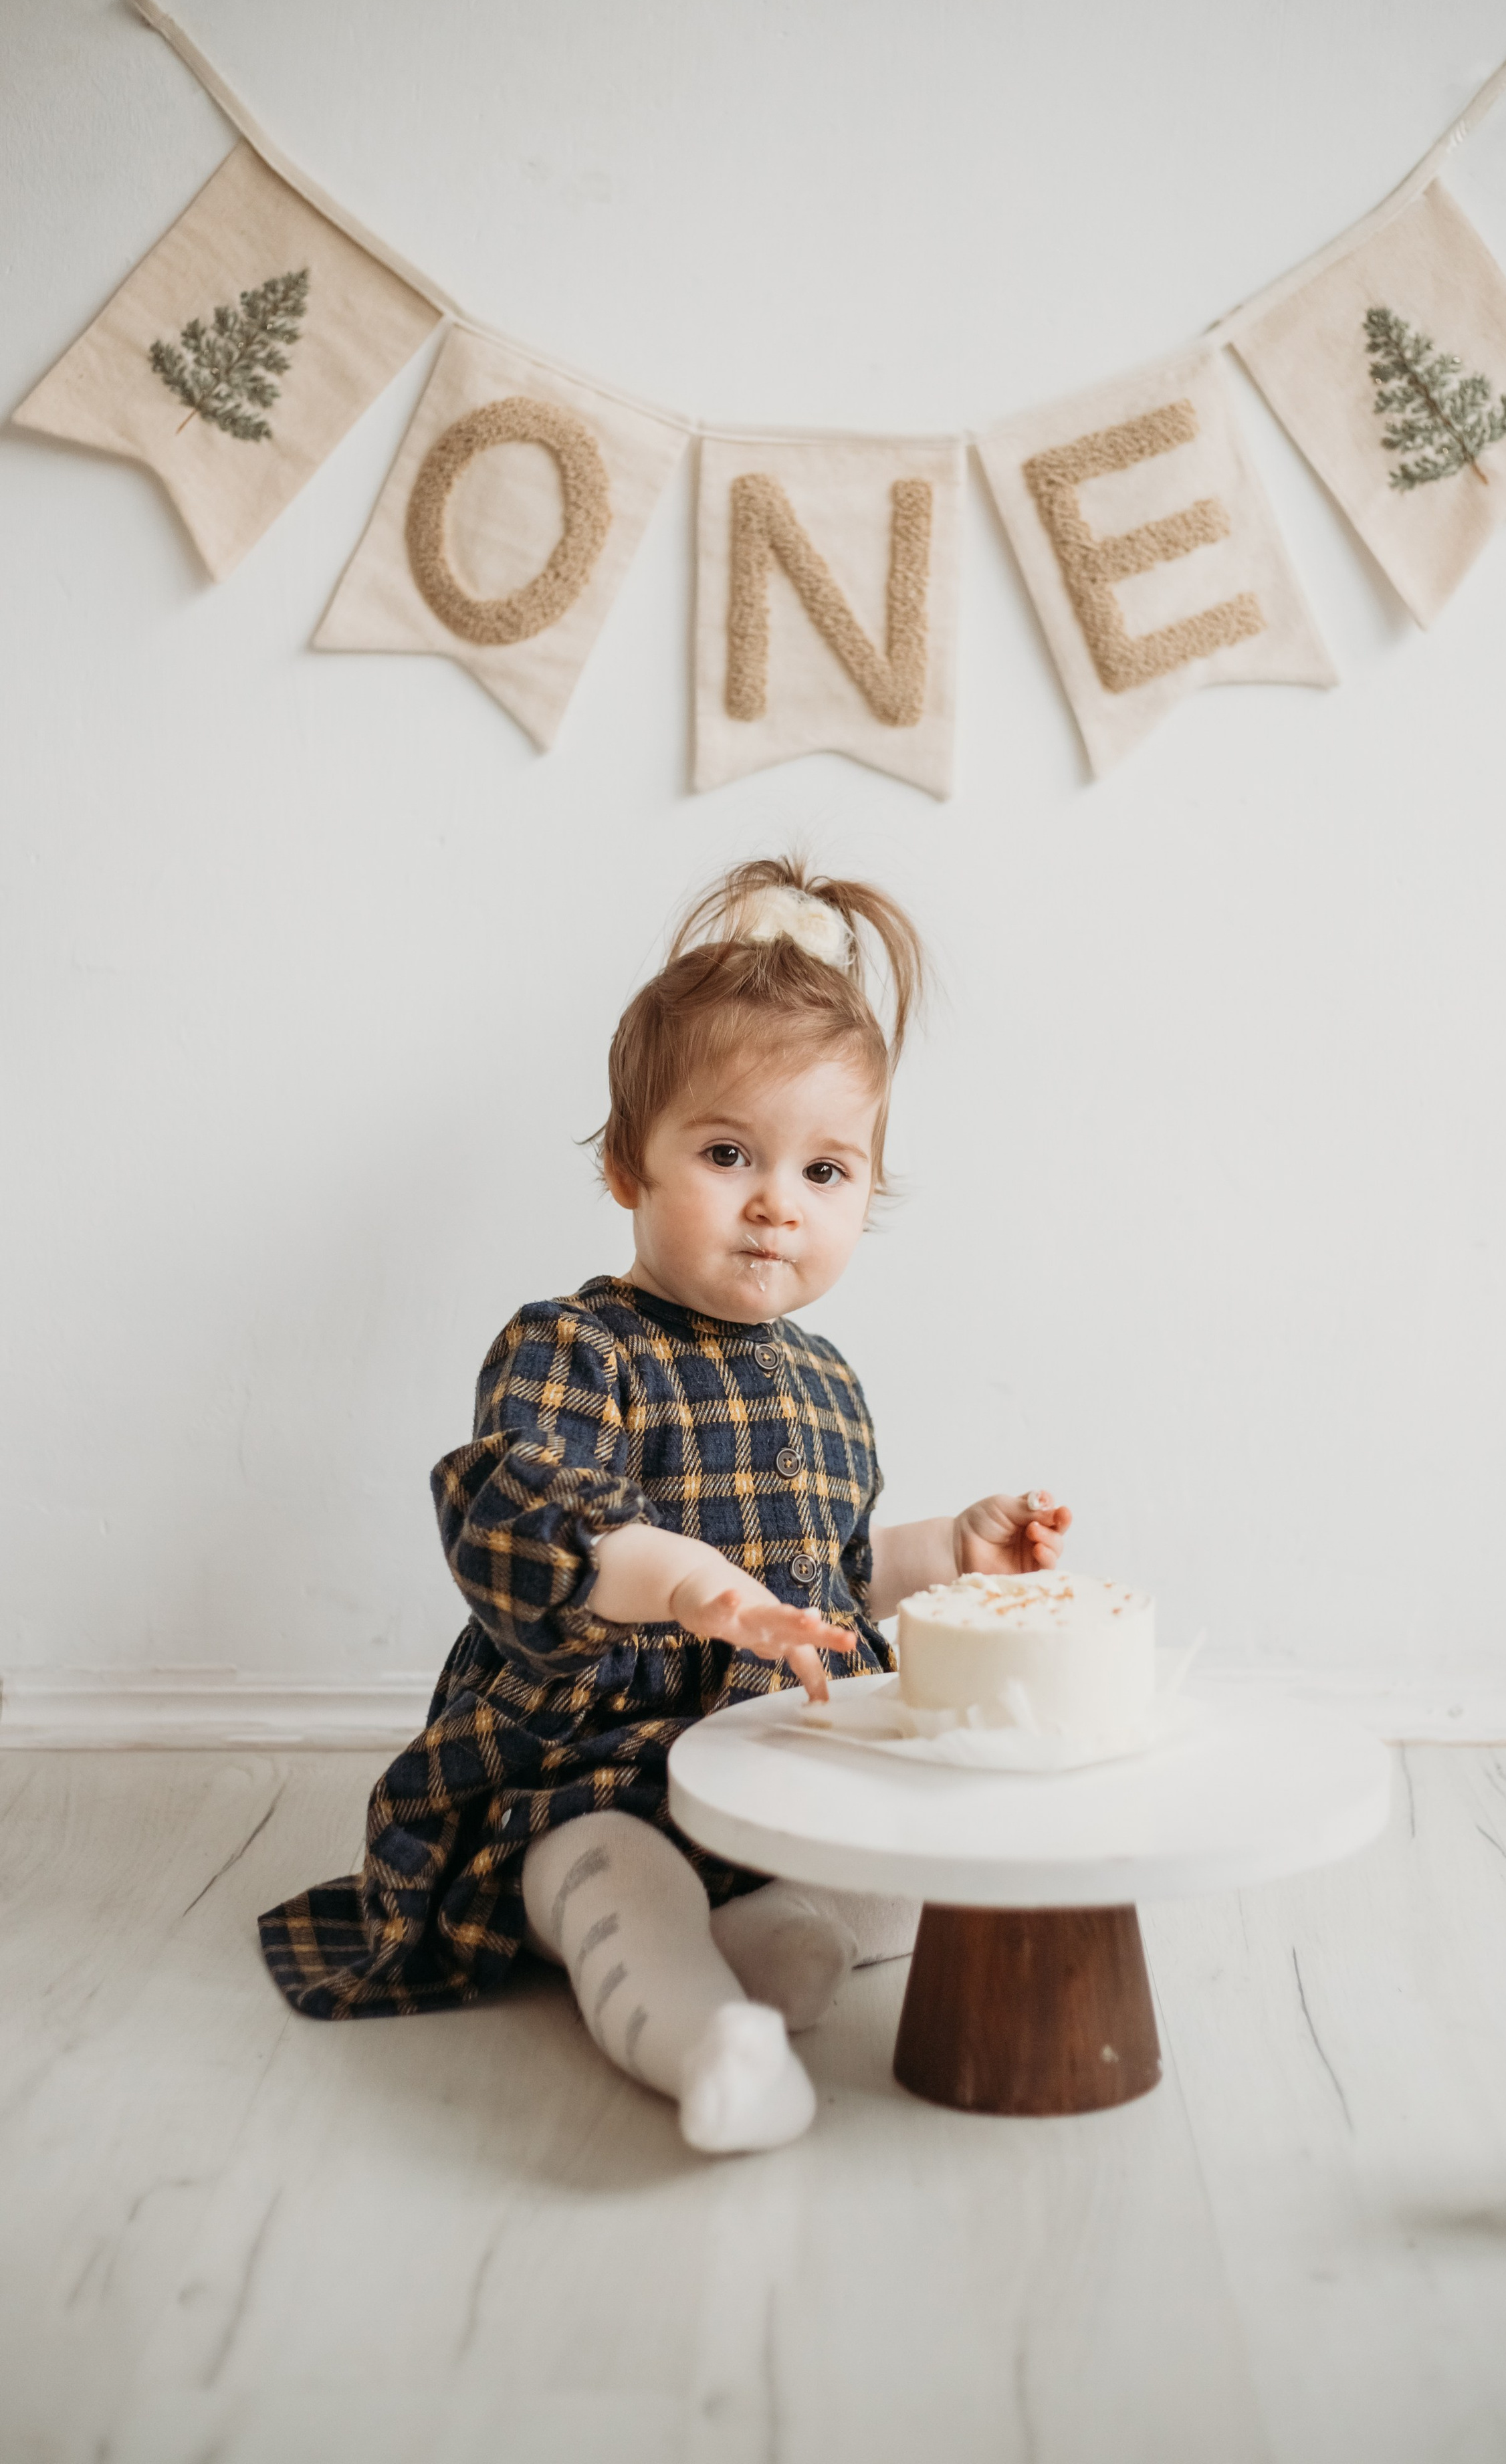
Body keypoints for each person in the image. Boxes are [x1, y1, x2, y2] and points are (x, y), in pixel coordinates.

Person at [259, 857, 1071, 2152]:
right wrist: (690, 1586)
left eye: (824, 1172)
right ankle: (706, 2038)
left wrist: (952, 1551)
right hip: (596, 1764)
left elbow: (836, 1570)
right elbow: (525, 1516)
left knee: (940, 1848)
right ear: (627, 1168)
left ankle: (783, 1930)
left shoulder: (823, 1379)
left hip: (773, 1756)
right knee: (614, 1886)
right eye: (726, 1152)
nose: (773, 1202)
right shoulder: (575, 1345)